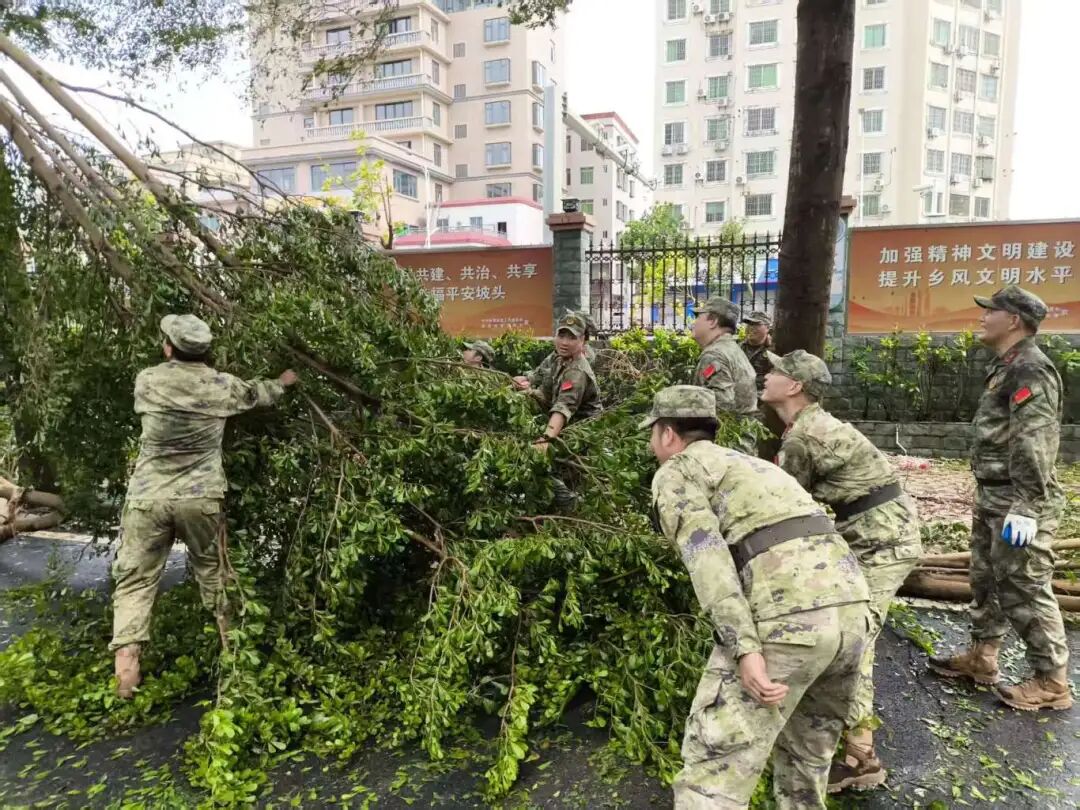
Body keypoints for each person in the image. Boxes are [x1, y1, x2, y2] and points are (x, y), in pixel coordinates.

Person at [644, 384, 870, 809]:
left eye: (653, 432)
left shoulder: (677, 471)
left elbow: (709, 565)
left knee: (714, 769)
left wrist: (745, 649)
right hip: (852, 615)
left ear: (668, 434)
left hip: (790, 622)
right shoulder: (753, 466)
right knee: (806, 763)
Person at [112, 314, 298, 699]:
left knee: (135, 579)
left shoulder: (148, 380)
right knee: (214, 573)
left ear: (168, 347)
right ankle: (235, 660)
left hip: (149, 497)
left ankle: (127, 676)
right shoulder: (222, 386)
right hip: (201, 498)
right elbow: (259, 395)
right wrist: (283, 383)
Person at [762, 350, 922, 793]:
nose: (766, 375)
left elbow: (783, 510)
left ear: (794, 386)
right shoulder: (808, 425)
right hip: (870, 535)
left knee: (854, 641)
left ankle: (861, 757)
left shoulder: (801, 439)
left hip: (883, 544)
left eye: (775, 372)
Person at [929, 286, 1071, 712]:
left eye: (990, 311)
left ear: (1013, 320)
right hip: (995, 493)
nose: (982, 317)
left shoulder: (1031, 369)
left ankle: (1052, 681)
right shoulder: (1006, 366)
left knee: (1025, 585)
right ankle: (982, 657)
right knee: (987, 578)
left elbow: (1036, 441)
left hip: (1018, 499)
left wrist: (1027, 505)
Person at [512, 311, 601, 507]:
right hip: (561, 423)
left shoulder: (577, 371)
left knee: (541, 462)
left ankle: (570, 505)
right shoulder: (557, 357)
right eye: (562, 335)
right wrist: (521, 386)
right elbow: (540, 380)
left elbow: (562, 408)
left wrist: (545, 440)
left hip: (581, 432)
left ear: (583, 341)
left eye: (572, 337)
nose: (565, 342)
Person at [690, 297, 759, 454]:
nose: (694, 322)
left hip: (727, 448)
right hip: (742, 443)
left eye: (698, 317)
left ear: (713, 321)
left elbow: (720, 408)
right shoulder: (732, 349)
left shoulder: (715, 354)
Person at [740, 311, 774, 391]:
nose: (751, 327)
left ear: (767, 328)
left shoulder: (775, 351)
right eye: (749, 324)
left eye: (756, 324)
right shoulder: (736, 348)